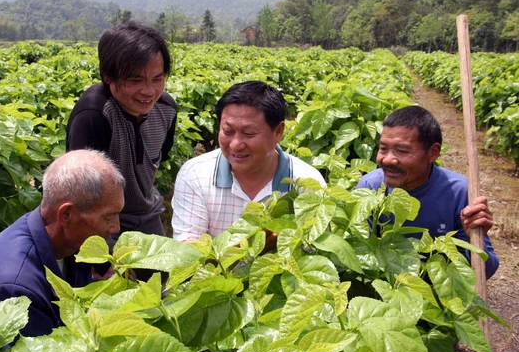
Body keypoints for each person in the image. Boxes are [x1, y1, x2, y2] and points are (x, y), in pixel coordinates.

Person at [0, 150, 126, 337]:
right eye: (109, 217)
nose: (115, 227)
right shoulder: (17, 288)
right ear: (66, 215)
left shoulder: (73, 244)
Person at [171, 81, 326, 242]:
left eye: (249, 133)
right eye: (228, 131)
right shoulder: (195, 174)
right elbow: (188, 250)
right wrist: (256, 245)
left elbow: (312, 246)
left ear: (278, 132)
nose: (236, 145)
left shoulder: (307, 182)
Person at [357, 106, 499, 278]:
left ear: (433, 153)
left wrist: (474, 238)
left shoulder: (459, 192)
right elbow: (361, 256)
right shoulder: (370, 186)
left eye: (402, 150)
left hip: (441, 295)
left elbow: (485, 272)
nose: (387, 159)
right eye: (383, 148)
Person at [66, 21, 176, 238]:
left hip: (147, 212)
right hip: (101, 219)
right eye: (135, 80)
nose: (148, 91)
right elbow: (82, 195)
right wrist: (100, 262)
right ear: (109, 76)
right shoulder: (94, 115)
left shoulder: (167, 109)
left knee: (165, 270)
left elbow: (161, 156)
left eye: (157, 79)